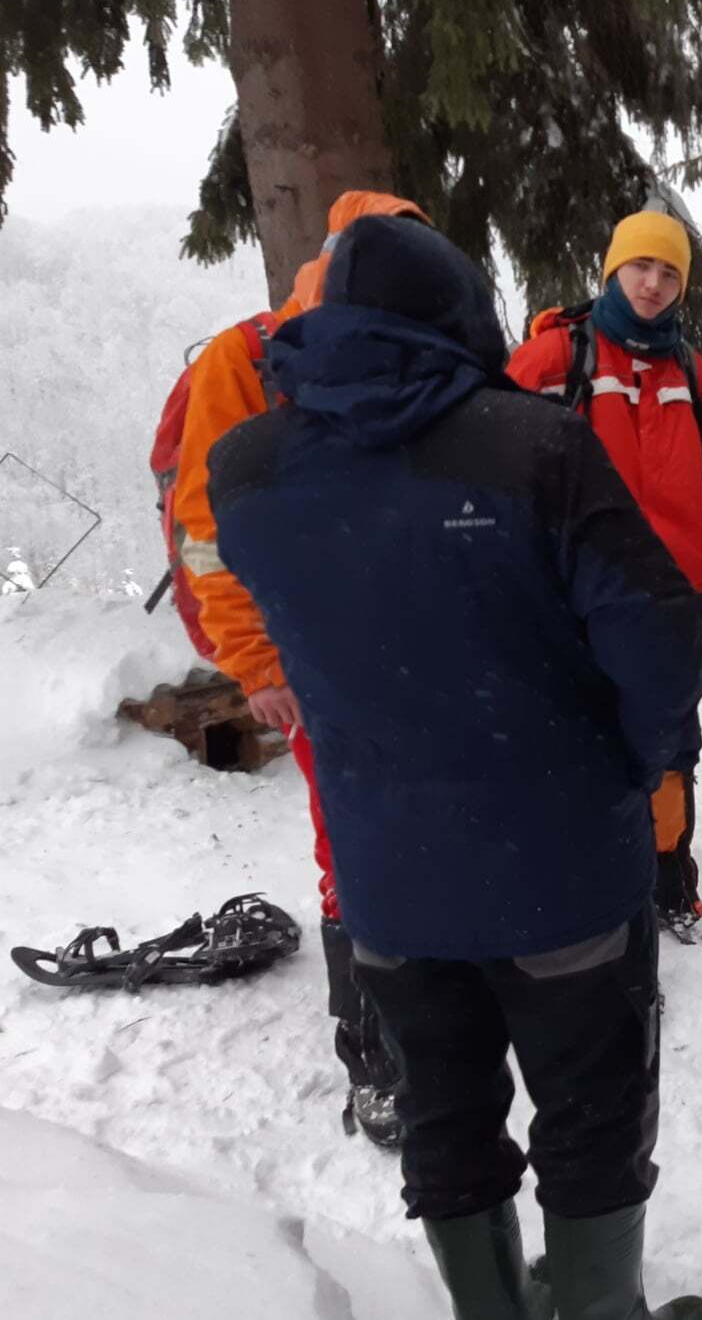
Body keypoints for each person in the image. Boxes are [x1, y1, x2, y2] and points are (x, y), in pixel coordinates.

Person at [208, 215, 702, 1320]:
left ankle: (491, 1309)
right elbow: (661, 635)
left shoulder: (246, 472)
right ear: (464, 320)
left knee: (445, 1113)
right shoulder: (535, 449)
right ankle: (594, 1309)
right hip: (565, 871)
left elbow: (280, 592)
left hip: (390, 884)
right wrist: (642, 761)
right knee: (592, 1111)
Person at [171, 189, 429, 1144]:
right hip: (307, 653)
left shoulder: (402, 339)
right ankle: (377, 1064)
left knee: (418, 824)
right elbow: (209, 537)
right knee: (352, 847)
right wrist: (255, 665)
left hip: (404, 641)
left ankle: (437, 1018)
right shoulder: (243, 365)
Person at [508, 208, 702, 949]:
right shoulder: (552, 359)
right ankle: (596, 901)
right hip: (578, 594)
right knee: (581, 743)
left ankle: (671, 888)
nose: (655, 282)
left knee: (669, 741)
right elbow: (491, 455)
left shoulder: (690, 369)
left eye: (670, 272)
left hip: (674, 593)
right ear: (612, 270)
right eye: (642, 266)